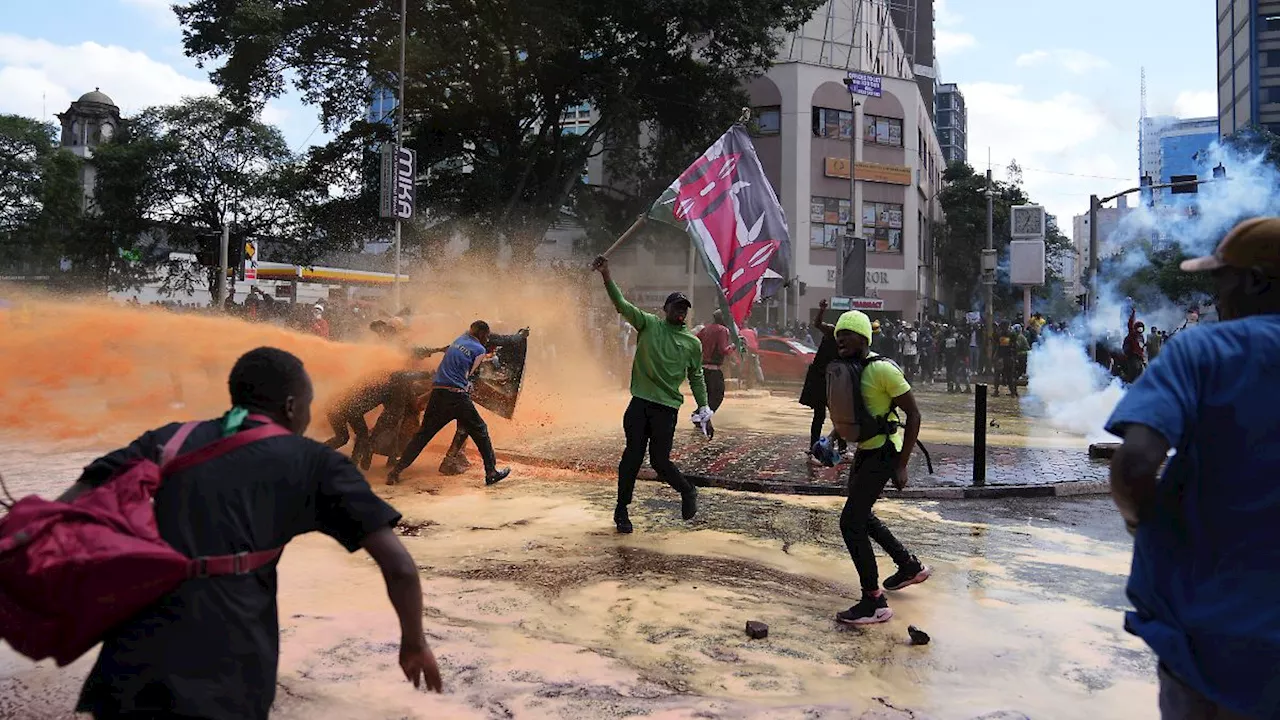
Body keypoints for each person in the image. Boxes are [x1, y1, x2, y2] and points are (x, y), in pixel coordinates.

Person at [62, 347, 443, 720]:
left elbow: (70, 507)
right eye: (308, 405)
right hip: (227, 669)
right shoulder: (313, 463)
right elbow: (399, 567)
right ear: (292, 406)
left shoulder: (169, 439)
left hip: (128, 664)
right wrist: (414, 643)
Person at [1105, 217, 1280, 720]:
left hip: (1208, 646)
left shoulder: (1204, 349)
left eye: (1220, 279)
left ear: (1255, 281)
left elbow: (1134, 466)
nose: (1214, 297)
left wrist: (1142, 524)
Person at [592, 255, 707, 534]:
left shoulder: (692, 343)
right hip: (640, 403)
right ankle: (621, 510)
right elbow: (621, 304)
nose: (680, 311)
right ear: (665, 308)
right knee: (631, 457)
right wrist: (606, 274)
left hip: (666, 409)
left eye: (684, 308)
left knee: (659, 461)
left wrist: (705, 409)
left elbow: (696, 375)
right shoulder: (649, 324)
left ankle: (687, 491)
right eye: (676, 306)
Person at [829, 311, 931, 626]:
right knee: (862, 516)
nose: (841, 339)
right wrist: (834, 437)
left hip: (886, 453)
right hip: (865, 451)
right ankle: (908, 565)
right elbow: (857, 410)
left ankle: (873, 601)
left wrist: (902, 466)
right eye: (838, 335)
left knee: (851, 523)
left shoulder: (883, 369)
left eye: (848, 333)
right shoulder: (852, 369)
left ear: (863, 337)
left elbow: (914, 414)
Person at [386, 321, 512, 487]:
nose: (486, 340)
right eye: (486, 336)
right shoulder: (479, 350)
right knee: (480, 430)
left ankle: (395, 472)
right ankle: (491, 472)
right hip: (457, 396)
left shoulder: (458, 340)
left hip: (438, 394)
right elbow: (469, 375)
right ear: (482, 335)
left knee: (422, 436)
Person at [799, 299, 847, 465]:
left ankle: (843, 448)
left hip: (832, 381)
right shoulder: (832, 331)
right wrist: (821, 309)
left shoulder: (847, 341)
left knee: (837, 417)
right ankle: (814, 448)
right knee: (819, 415)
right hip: (819, 379)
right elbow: (817, 323)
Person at [696, 311, 735, 412]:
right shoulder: (722, 330)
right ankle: (701, 416)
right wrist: (734, 346)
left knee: (707, 397)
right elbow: (723, 350)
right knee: (717, 396)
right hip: (714, 370)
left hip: (702, 369)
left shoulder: (705, 329)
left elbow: (695, 341)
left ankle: (700, 416)